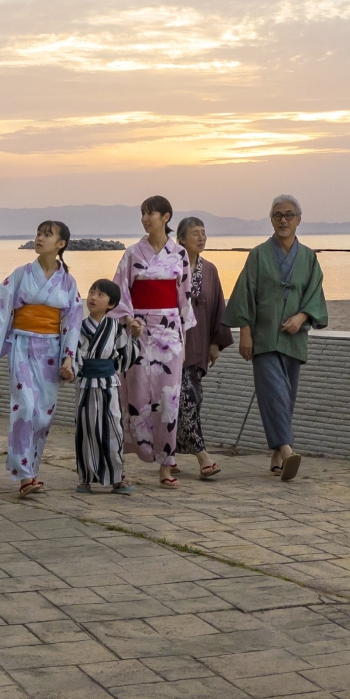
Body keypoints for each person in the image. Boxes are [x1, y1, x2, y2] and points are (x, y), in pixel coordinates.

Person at [226, 194, 328, 481]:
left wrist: (301, 317)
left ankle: (275, 457)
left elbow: (314, 296)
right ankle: (286, 450)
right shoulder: (258, 255)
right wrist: (245, 332)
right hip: (264, 338)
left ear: (298, 219)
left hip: (294, 338)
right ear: (271, 219)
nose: (283, 220)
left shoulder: (308, 257)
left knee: (286, 398)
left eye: (289, 215)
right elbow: (244, 293)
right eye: (278, 215)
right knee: (272, 393)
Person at [0, 220, 80, 499]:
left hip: (51, 351)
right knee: (25, 408)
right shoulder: (21, 274)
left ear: (60, 244)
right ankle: (24, 475)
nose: (39, 238)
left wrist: (69, 358)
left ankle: (32, 471)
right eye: (39, 233)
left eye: (47, 235)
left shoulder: (68, 282)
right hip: (23, 346)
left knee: (42, 414)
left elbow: (73, 321)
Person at [113, 195, 195, 487]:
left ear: (166, 217)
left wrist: (184, 329)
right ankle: (120, 461)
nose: (146, 219)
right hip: (138, 330)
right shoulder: (132, 253)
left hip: (170, 332)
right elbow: (120, 291)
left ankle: (166, 466)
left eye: (152, 213)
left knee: (168, 398)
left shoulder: (179, 254)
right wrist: (129, 319)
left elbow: (183, 295)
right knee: (133, 394)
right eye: (143, 214)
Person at [176, 216, 235, 480]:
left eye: (203, 233)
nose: (201, 238)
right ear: (180, 239)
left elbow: (217, 307)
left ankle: (169, 453)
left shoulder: (209, 270)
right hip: (171, 345)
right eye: (195, 233)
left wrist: (215, 343)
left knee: (192, 400)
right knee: (184, 399)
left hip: (198, 345)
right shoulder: (170, 267)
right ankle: (203, 458)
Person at [70, 278, 139, 494]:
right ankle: (85, 478)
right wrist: (71, 368)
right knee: (87, 429)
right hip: (86, 384)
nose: (93, 297)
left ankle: (116, 477)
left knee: (113, 429)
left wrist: (134, 338)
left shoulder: (116, 328)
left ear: (111, 304)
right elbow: (73, 355)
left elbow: (123, 358)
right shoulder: (79, 328)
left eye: (100, 295)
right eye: (91, 292)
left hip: (109, 383)